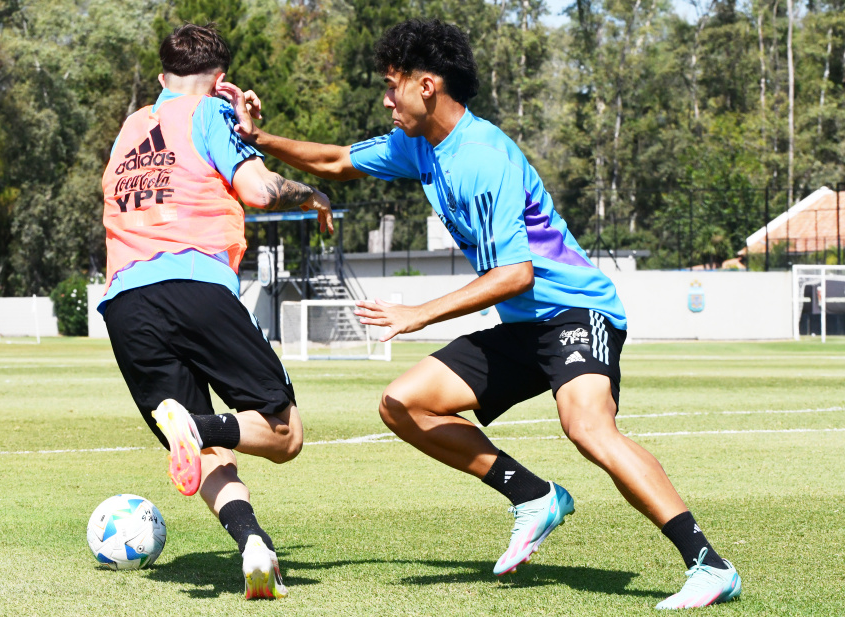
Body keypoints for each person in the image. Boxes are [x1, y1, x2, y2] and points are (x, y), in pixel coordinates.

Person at [217, 18, 741, 610]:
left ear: (427, 86)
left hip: (576, 310)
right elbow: (337, 160)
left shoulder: (484, 157)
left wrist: (418, 314)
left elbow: (516, 273)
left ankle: (708, 564)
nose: (386, 99)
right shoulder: (417, 146)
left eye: (394, 86)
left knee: (587, 427)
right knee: (402, 403)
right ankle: (534, 496)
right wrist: (258, 139)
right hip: (523, 325)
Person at [98, 23, 332, 600]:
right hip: (194, 285)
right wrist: (311, 193)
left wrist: (227, 116)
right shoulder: (210, 115)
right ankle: (197, 424)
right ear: (220, 81)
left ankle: (253, 542)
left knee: (203, 453)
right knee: (284, 435)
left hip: (125, 304)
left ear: (161, 79)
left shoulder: (131, 128)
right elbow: (257, 191)